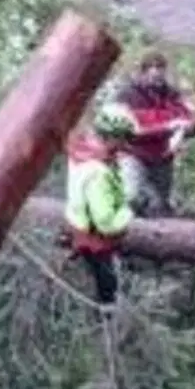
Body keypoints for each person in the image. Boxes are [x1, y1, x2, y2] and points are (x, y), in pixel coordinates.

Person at [109, 52, 195, 218]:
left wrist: (192, 126)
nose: (157, 83)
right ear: (143, 73)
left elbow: (192, 120)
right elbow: (129, 129)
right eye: (153, 78)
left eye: (160, 79)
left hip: (162, 158)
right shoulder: (127, 96)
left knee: (160, 206)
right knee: (131, 196)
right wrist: (167, 127)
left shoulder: (172, 95)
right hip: (133, 154)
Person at [63, 103, 137, 306]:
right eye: (124, 138)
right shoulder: (98, 173)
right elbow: (106, 222)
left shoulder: (83, 153)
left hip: (80, 226)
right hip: (96, 240)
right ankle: (107, 320)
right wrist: (127, 213)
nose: (126, 144)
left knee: (101, 274)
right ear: (112, 137)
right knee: (108, 287)